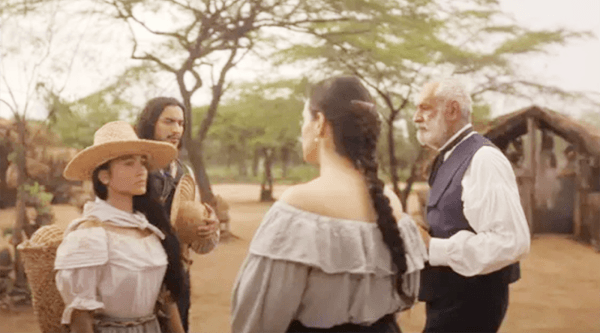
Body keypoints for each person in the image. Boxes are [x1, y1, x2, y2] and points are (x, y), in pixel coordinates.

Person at [231, 76, 428, 333]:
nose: (300, 130)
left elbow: (256, 323)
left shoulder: (299, 205)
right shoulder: (390, 202)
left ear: (320, 123)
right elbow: (403, 299)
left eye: (304, 120)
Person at [412, 78, 531, 333]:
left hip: (470, 306)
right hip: (450, 300)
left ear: (452, 110)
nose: (416, 117)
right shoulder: (449, 156)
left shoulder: (484, 159)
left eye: (424, 108)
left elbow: (510, 241)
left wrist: (434, 247)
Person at [55, 121, 185, 333]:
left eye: (142, 162)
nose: (141, 170)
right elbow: (81, 318)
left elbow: (166, 301)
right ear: (104, 176)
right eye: (128, 163)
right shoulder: (89, 236)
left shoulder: (149, 229)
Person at [136, 97, 220, 332]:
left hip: (177, 271)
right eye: (169, 122)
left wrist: (207, 224)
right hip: (137, 271)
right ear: (151, 123)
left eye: (181, 124)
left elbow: (190, 216)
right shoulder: (133, 168)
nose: (176, 130)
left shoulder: (184, 172)